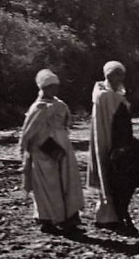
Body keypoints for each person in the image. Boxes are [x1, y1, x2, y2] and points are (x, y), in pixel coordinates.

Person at [19, 68, 85, 235]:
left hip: (63, 149)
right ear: (43, 88)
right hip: (42, 152)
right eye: (50, 87)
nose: (54, 90)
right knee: (48, 187)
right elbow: (28, 133)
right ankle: (47, 219)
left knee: (67, 182)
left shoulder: (60, 105)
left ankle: (69, 217)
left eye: (56, 86)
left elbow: (66, 125)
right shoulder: (38, 107)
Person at [87, 59, 132, 227]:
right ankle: (106, 218)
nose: (120, 77)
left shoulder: (115, 93)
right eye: (116, 74)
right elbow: (117, 107)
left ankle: (113, 216)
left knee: (115, 176)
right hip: (105, 137)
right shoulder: (103, 94)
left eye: (121, 74)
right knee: (106, 173)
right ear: (108, 75)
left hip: (115, 137)